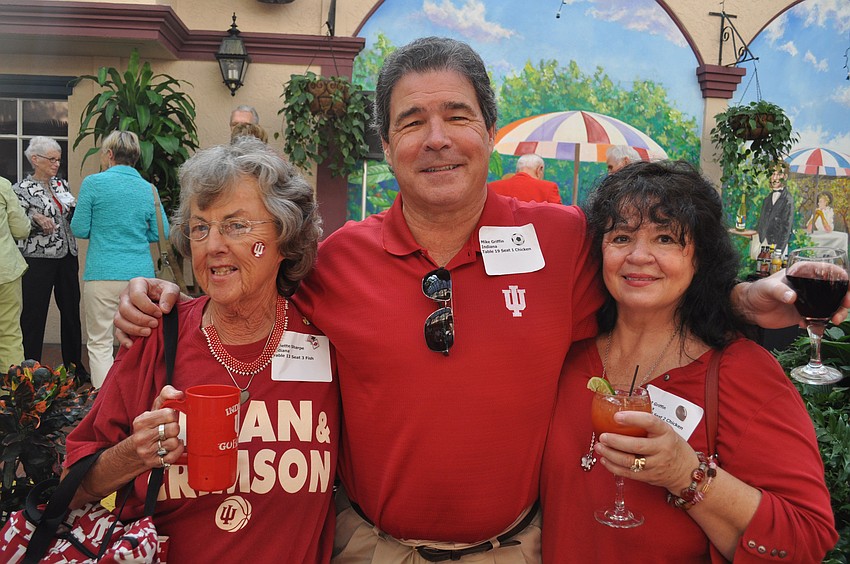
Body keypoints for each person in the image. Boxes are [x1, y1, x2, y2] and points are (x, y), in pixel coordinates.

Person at [112, 38, 843, 563]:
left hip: (519, 549)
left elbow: (649, 281)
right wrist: (167, 297)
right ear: (387, 145)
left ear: (488, 132)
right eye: (411, 122)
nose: (437, 140)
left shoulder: (562, 241)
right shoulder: (336, 263)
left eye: (457, 116)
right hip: (371, 548)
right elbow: (249, 294)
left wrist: (746, 296)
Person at [541, 161, 837, 562]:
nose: (639, 256)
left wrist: (686, 474)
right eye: (622, 236)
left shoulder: (741, 372)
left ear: (702, 257)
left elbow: (806, 538)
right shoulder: (568, 354)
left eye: (665, 238)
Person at [64, 137, 338, 562]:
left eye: (236, 225)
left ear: (286, 236)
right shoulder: (157, 336)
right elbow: (75, 484)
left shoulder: (328, 337)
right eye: (200, 227)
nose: (212, 246)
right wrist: (134, 453)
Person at [70, 131, 168, 388]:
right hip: (139, 277)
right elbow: (162, 232)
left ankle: (103, 404)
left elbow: (79, 228)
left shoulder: (93, 183)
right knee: (136, 342)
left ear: (110, 154)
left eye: (104, 153)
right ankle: (134, 400)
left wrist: (103, 228)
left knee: (100, 342)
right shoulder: (149, 189)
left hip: (101, 273)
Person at [12, 136, 87, 377]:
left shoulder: (61, 185)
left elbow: (70, 215)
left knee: (71, 312)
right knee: (34, 314)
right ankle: (29, 368)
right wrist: (34, 219)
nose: (56, 164)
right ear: (35, 159)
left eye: (58, 160)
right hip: (38, 258)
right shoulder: (20, 190)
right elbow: (16, 225)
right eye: (51, 159)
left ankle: (74, 368)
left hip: (66, 256)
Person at [0, 175, 30, 368]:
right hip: (5, 269)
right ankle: (12, 394)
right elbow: (21, 229)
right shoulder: (2, 185)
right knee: (10, 335)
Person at [488, 153, 562, 203]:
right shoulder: (549, 188)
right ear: (539, 169)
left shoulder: (492, 187)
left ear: (517, 170)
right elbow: (559, 218)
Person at [755, 162, 795, 254]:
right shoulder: (767, 199)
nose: (775, 178)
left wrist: (779, 251)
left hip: (779, 247)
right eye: (773, 174)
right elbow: (762, 223)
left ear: (785, 177)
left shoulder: (788, 200)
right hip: (764, 244)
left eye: (779, 174)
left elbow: (786, 228)